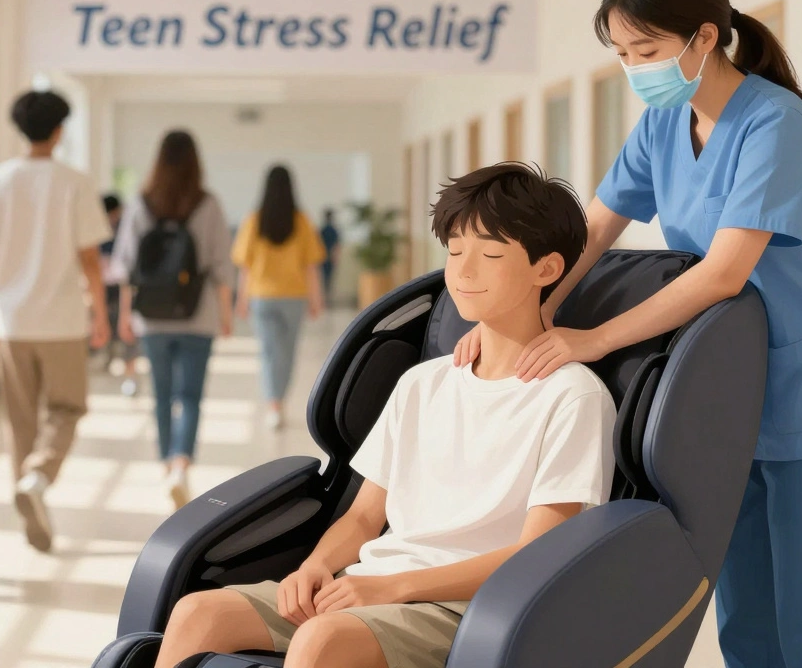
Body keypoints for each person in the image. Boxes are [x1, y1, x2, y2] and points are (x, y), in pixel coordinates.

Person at [455, 0, 802, 666]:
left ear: (705, 37)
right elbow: (592, 232)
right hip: (727, 398)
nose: (635, 68)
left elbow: (723, 273)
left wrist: (591, 339)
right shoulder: (662, 128)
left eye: (647, 50)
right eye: (623, 53)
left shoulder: (773, 124)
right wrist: (515, 323)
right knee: (745, 623)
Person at [153, 162, 616, 668]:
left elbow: (537, 552)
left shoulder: (572, 397)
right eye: (455, 251)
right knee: (196, 613)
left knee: (321, 641)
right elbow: (364, 516)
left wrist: (394, 587)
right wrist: (315, 568)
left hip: (468, 608)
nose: (462, 271)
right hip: (370, 587)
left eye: (489, 253)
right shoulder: (423, 383)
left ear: (545, 270)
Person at [0, 90, 111, 553]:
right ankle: (38, 479)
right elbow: (90, 259)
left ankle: (28, 491)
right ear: (59, 130)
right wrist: (100, 313)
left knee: (19, 420)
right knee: (67, 408)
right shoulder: (74, 182)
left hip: (11, 319)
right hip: (62, 319)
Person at [112, 130, 234, 510]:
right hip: (198, 316)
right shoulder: (209, 205)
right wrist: (225, 314)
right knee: (191, 396)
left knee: (161, 395)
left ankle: (167, 465)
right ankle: (182, 463)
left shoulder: (140, 204)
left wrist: (126, 314)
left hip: (152, 318)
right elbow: (221, 266)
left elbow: (126, 265)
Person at [232, 165, 326, 431]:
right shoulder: (302, 221)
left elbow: (245, 267)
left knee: (268, 352)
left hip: (261, 297)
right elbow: (312, 266)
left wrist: (241, 300)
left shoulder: (254, 221)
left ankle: (273, 403)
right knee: (286, 352)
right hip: (294, 298)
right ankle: (278, 402)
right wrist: (316, 299)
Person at [101, 192, 139, 396]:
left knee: (127, 329)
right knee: (109, 322)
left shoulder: (128, 225)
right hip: (106, 285)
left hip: (125, 286)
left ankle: (129, 373)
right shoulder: (100, 228)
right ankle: (109, 357)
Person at [319, 208, 341, 307]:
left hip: (323, 259)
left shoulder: (323, 230)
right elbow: (336, 246)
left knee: (324, 280)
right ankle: (326, 300)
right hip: (327, 259)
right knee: (327, 280)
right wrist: (335, 257)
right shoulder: (332, 230)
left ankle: (324, 301)